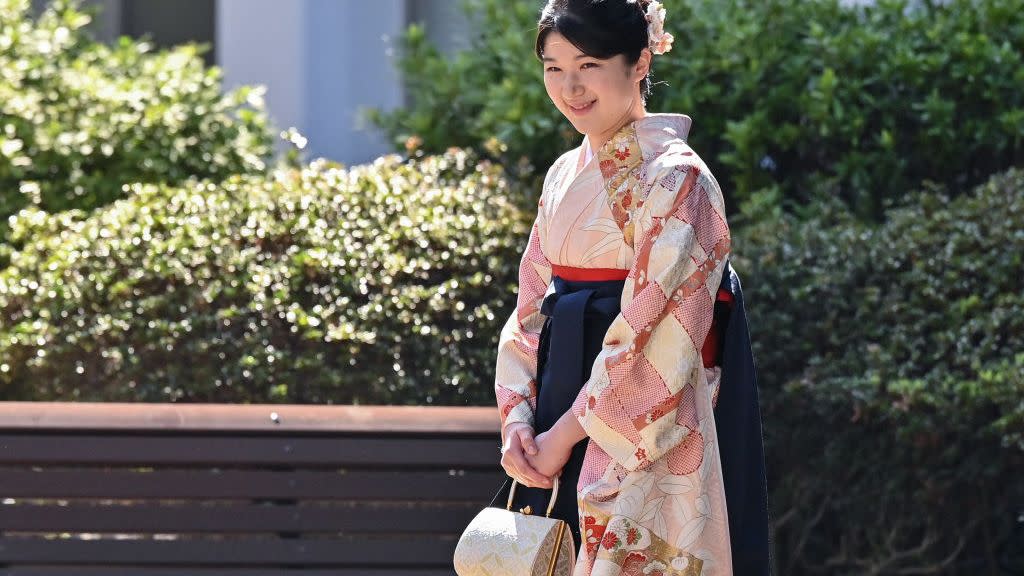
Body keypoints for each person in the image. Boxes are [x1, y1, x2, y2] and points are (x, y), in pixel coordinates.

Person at [494, 0, 770, 574]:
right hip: (553, 423)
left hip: (639, 435)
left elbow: (656, 335)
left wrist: (563, 437)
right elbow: (529, 308)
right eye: (553, 67)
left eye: (589, 64)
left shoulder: (677, 178)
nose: (570, 87)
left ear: (640, 61)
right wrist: (519, 423)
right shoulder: (562, 174)